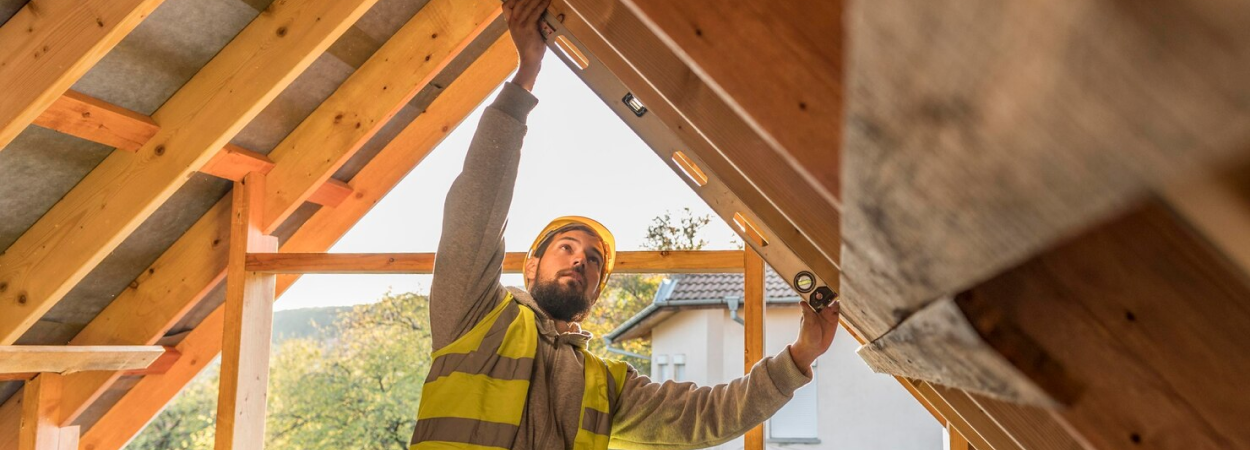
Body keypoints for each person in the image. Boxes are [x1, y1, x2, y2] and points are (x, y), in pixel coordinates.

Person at [409, 0, 841, 448]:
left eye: (594, 260)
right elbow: (475, 207)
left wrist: (801, 356)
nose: (580, 261)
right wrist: (525, 76)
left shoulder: (605, 385)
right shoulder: (476, 314)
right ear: (531, 266)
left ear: (595, 293)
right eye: (567, 248)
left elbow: (705, 416)